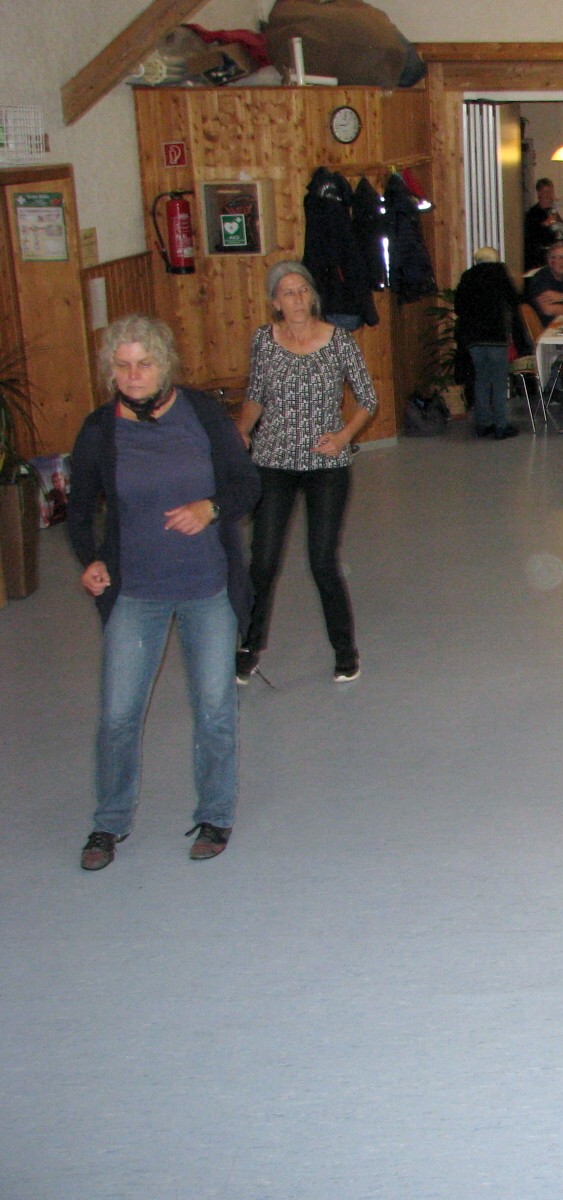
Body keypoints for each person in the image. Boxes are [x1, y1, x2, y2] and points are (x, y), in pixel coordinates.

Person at [68, 315, 260, 870]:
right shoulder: (100, 430)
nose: (133, 375)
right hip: (136, 591)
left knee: (214, 709)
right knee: (118, 715)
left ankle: (215, 814)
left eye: (144, 364)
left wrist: (210, 507)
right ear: (110, 371)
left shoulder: (201, 415)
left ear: (165, 366)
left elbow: (247, 484)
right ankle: (109, 822)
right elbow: (78, 510)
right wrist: (91, 560)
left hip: (207, 587)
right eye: (122, 366)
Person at [235, 261, 378, 685]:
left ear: (312, 296)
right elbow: (255, 396)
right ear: (275, 302)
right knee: (262, 561)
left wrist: (344, 436)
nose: (297, 299)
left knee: (322, 561)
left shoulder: (338, 340)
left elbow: (368, 399)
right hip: (273, 461)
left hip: (325, 465)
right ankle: (248, 646)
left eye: (302, 291)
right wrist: (240, 431)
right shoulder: (264, 340)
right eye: (287, 292)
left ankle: (345, 650)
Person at [453, 246, 525, 440]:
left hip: (474, 339)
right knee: (499, 382)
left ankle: (483, 424)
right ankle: (501, 425)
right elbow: (514, 301)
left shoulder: (468, 276)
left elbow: (458, 307)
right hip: (496, 337)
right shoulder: (500, 273)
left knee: (481, 380)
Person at [523, 240, 563, 329]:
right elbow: (548, 310)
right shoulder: (541, 278)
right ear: (550, 261)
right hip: (548, 330)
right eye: (559, 258)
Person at [522, 176, 563, 274]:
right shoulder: (532, 214)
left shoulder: (553, 212)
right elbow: (532, 237)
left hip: (556, 259)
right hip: (539, 261)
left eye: (551, 192)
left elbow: (562, 233)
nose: (549, 195)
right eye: (546, 192)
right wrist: (547, 223)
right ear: (539, 193)